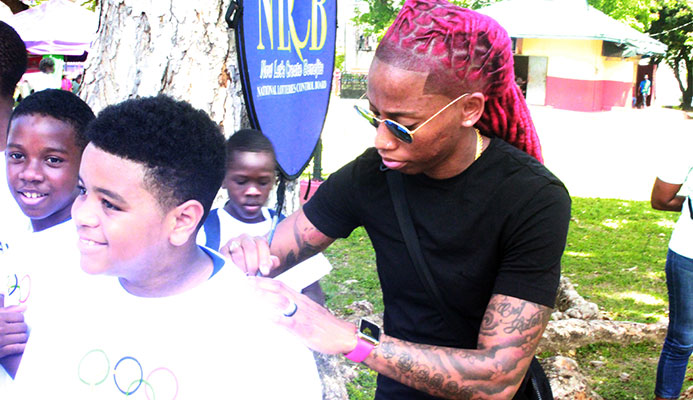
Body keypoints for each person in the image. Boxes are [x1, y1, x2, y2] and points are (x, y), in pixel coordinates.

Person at [224, 0, 571, 399]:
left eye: (403, 126)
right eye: (374, 116)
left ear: (469, 109)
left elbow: (497, 380)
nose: (381, 141)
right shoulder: (372, 175)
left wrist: (351, 339)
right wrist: (246, 255)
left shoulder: (533, 198)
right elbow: (275, 251)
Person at [9, 95, 322, 399]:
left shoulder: (260, 336)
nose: (81, 215)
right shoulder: (68, 296)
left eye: (110, 204)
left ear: (183, 221)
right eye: (82, 190)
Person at [1, 89, 95, 382]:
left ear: (86, 163)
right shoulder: (15, 228)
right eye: (17, 156)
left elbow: (71, 383)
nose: (29, 173)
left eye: (52, 160)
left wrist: (7, 352)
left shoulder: (89, 256)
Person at [198, 128, 331, 304]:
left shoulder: (288, 229)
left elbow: (313, 294)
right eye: (241, 181)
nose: (252, 191)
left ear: (273, 181)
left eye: (262, 182)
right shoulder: (205, 232)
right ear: (223, 179)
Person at [650, 138, 693, 400]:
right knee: (681, 339)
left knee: (681, 339)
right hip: (688, 255)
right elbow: (661, 200)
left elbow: (662, 199)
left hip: (688, 253)